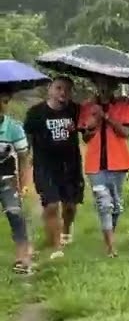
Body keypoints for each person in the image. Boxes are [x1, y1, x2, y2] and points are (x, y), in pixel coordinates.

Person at [24, 76, 83, 258]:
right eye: (58, 88)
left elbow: (88, 132)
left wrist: (80, 129)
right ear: (50, 89)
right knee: (51, 205)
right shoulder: (36, 113)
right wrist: (25, 158)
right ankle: (57, 247)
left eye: (67, 89)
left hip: (70, 165)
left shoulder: (76, 110)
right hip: (45, 166)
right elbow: (27, 137)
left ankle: (66, 230)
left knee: (70, 206)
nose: (63, 93)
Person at [79, 78, 129, 257]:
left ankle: (109, 233)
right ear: (96, 85)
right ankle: (110, 246)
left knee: (116, 207)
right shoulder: (87, 106)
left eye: (108, 84)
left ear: (115, 86)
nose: (104, 87)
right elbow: (85, 138)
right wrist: (93, 123)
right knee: (104, 204)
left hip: (118, 162)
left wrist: (106, 117)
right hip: (95, 164)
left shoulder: (124, 105)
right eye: (100, 84)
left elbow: (126, 133)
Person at [0, 89, 34, 274]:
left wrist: (24, 183)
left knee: (15, 214)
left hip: (7, 179)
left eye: (4, 102)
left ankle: (22, 257)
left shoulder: (13, 128)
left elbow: (23, 158)